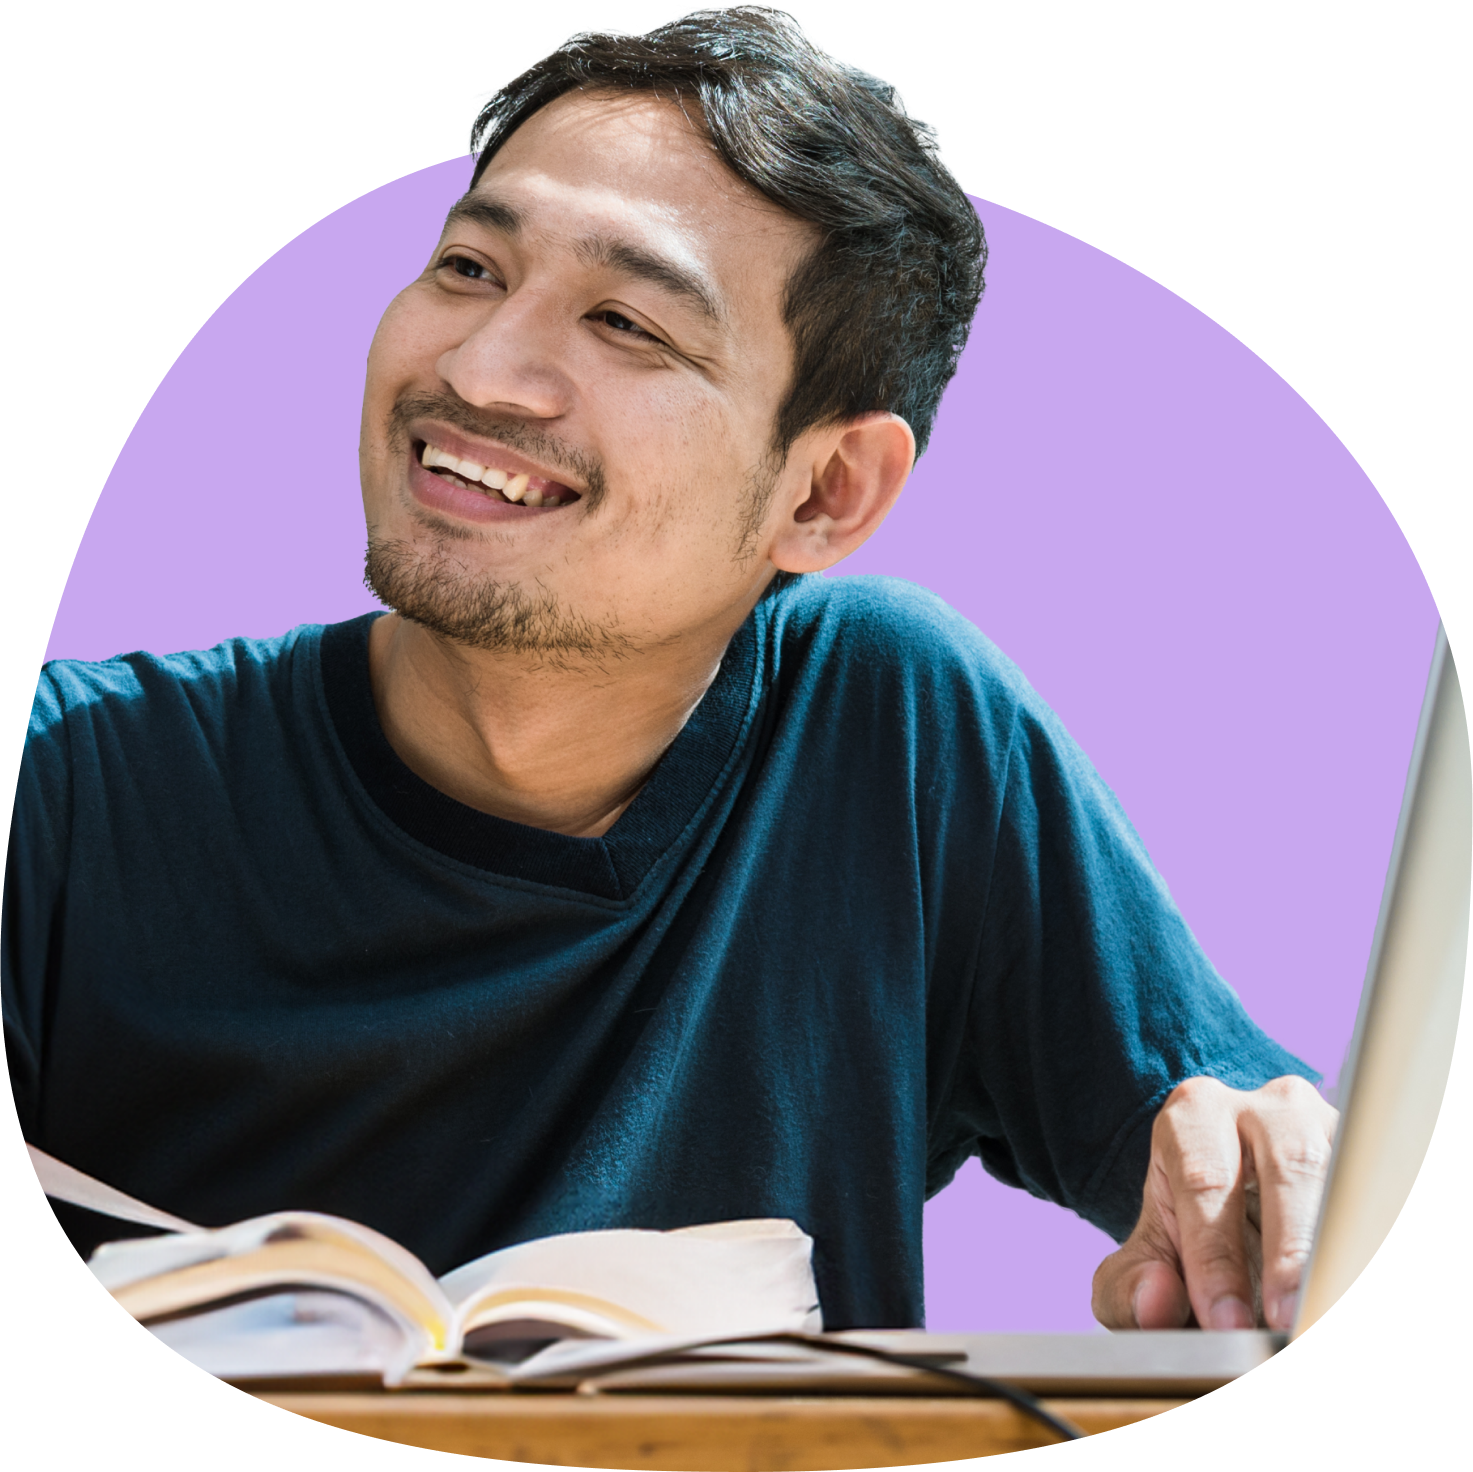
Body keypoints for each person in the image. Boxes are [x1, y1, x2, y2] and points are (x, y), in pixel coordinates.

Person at [6, 6, 1336, 1334]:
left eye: (628, 325)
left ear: (823, 493)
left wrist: (1271, 1178)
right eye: (470, 267)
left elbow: (1239, 1160)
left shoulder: (890, 730)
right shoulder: (60, 789)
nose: (479, 371)